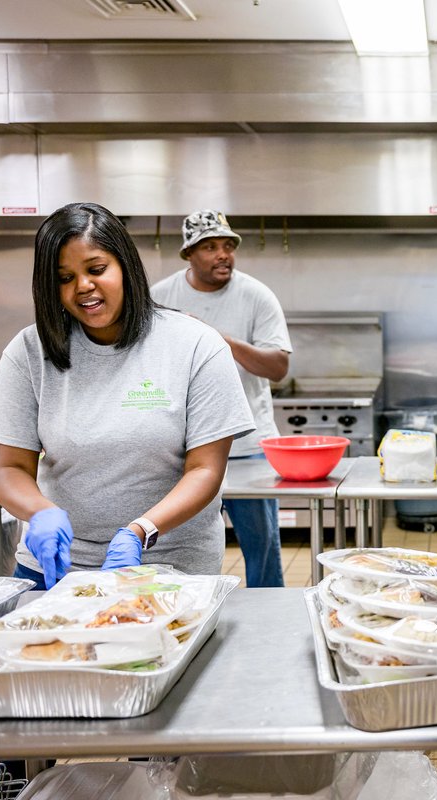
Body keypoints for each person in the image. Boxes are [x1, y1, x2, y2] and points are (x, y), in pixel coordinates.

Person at [0, 202, 255, 590]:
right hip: (55, 571)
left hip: (168, 569)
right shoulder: (30, 352)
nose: (83, 286)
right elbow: (10, 468)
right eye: (64, 278)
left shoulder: (194, 345)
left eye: (96, 269)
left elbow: (205, 470)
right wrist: (41, 513)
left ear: (125, 265)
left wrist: (141, 531)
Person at [151, 210, 293, 587]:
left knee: (261, 548)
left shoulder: (256, 295)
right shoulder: (160, 297)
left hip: (248, 446)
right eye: (210, 246)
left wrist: (216, 339)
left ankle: (269, 623)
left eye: (228, 246)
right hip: (184, 449)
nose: (223, 254)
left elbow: (278, 367)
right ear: (188, 254)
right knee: (182, 545)